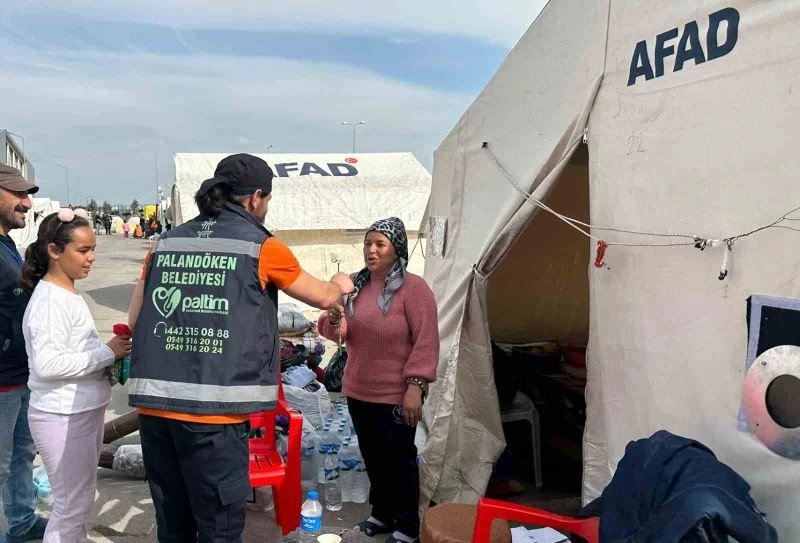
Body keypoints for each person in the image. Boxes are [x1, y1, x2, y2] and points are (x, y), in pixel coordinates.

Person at [126, 153, 355, 542]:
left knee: (173, 521)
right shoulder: (262, 246)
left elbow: (135, 321)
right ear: (256, 198)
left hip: (156, 411)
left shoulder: (164, 242)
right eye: (267, 200)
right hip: (214, 417)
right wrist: (341, 284)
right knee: (219, 525)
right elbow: (321, 295)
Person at [318, 217, 439, 543]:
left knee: (399, 460)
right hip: (359, 390)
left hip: (396, 394)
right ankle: (382, 514)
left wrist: (416, 386)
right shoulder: (355, 286)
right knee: (373, 457)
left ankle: (408, 527)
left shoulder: (415, 290)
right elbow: (339, 332)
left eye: (380, 244)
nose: (371, 250)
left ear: (396, 249)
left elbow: (426, 340)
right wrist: (334, 317)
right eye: (368, 243)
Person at [20, 209, 131, 542]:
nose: (91, 258)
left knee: (78, 502)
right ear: (54, 250)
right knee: (71, 506)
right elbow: (47, 365)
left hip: (78, 412)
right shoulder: (49, 302)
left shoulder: (66, 292)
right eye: (83, 250)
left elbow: (72, 353)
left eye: (93, 249)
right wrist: (106, 354)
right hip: (63, 415)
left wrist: (107, 367)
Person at [0, 165, 48, 543]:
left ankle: (21, 523)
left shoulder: (7, 246)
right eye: (18, 194)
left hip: (19, 375)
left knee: (21, 455)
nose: (27, 203)